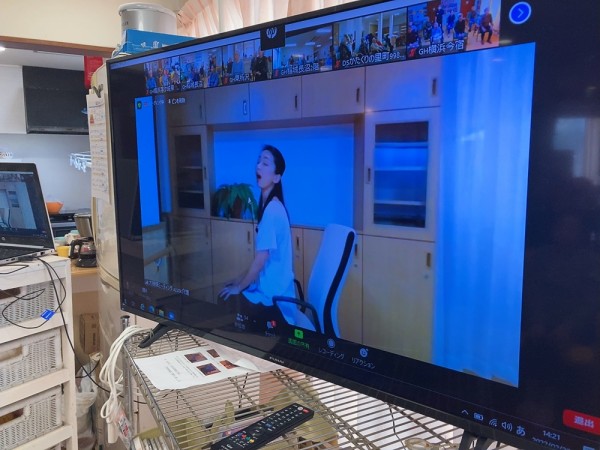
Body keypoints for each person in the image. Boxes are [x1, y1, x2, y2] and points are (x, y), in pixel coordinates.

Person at [219, 145, 295, 333]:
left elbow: (260, 261)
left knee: (225, 301)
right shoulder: (272, 207)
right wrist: (238, 281)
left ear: (276, 177)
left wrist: (239, 287)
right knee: (229, 291)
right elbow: (260, 261)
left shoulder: (272, 211)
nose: (258, 166)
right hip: (271, 293)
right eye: (259, 161)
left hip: (277, 304)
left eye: (265, 163)